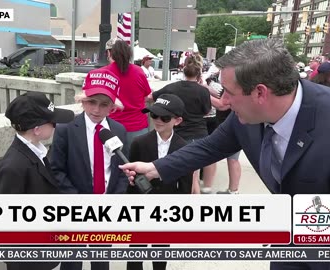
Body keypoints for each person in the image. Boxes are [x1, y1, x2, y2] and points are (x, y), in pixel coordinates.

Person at [120, 38, 330, 270]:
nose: (222, 101)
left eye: (227, 91)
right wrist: (155, 168)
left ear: (260, 93)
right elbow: (209, 147)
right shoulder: (245, 117)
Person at [51, 68, 128, 270]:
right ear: (82, 100)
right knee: (71, 259)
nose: (96, 110)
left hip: (105, 206)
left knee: (101, 258)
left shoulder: (118, 131)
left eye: (104, 105)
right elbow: (56, 170)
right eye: (91, 102)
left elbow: (122, 168)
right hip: (75, 205)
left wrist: (114, 199)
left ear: (112, 107)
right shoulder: (65, 129)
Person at [0, 92, 75, 270]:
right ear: (37, 129)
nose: (55, 126)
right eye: (52, 122)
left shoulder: (37, 153)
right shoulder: (12, 168)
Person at [126, 94, 192, 270]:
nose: (158, 120)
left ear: (177, 121)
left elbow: (185, 186)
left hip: (166, 210)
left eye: (164, 117)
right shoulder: (139, 143)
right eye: (154, 115)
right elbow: (130, 181)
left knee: (161, 251)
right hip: (140, 208)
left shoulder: (184, 148)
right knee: (135, 252)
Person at [150, 55, 212, 194]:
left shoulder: (172, 87)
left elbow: (151, 97)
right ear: (199, 73)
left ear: (183, 70)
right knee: (193, 177)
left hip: (178, 136)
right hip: (198, 135)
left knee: (175, 174)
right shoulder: (203, 91)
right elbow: (207, 111)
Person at [104, 38, 152, 145]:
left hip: (112, 126)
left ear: (109, 53)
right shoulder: (138, 71)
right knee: (137, 161)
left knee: (113, 161)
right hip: (138, 127)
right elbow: (147, 96)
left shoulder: (104, 73)